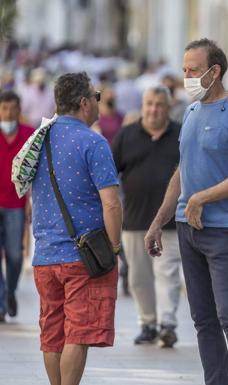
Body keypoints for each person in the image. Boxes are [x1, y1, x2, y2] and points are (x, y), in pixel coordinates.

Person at [145, 38, 228, 385]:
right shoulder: (192, 112)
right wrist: (158, 221)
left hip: (225, 230)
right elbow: (183, 171)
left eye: (193, 71)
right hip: (187, 228)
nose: (186, 77)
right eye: (184, 70)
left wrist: (202, 198)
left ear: (215, 71)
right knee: (203, 319)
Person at [31, 72, 121, 385]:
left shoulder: (38, 139)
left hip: (44, 255)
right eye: (96, 97)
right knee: (78, 332)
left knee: (52, 332)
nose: (98, 102)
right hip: (83, 258)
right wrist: (115, 246)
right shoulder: (94, 142)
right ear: (84, 102)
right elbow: (111, 203)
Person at [112, 86, 182, 348]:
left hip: (170, 222)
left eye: (159, 105)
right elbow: (110, 173)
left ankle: (167, 323)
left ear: (167, 108)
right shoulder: (126, 135)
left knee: (168, 273)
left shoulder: (180, 135)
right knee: (138, 277)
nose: (154, 109)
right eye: (149, 104)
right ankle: (148, 323)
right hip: (134, 219)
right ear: (143, 106)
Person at [0, 90, 35, 321]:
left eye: (13, 108)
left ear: (19, 110)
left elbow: (37, 171)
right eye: (4, 108)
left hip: (16, 204)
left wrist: (31, 200)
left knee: (14, 255)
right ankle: (1, 302)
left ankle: (10, 291)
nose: (8, 113)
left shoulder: (30, 135)